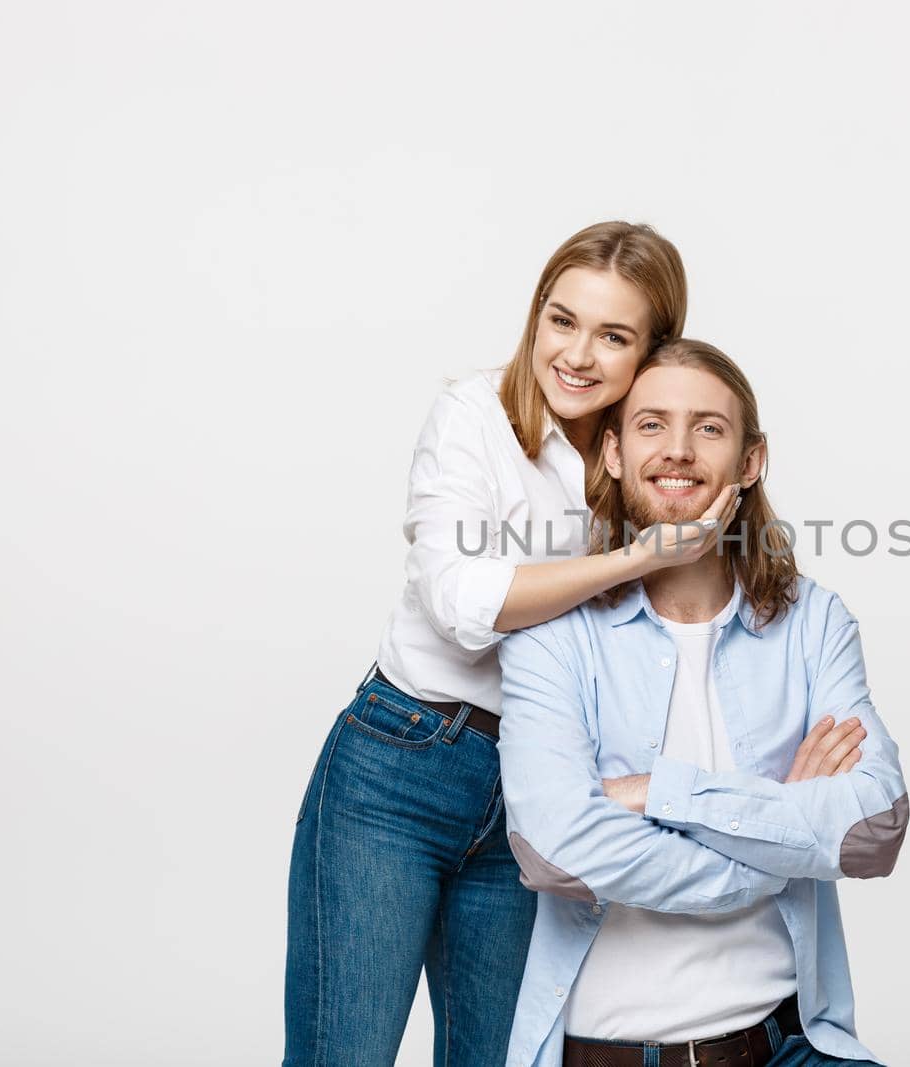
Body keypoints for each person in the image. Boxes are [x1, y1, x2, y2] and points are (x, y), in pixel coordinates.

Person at [284, 223, 742, 1067]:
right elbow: (462, 603)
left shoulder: (641, 466)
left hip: (537, 790)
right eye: (560, 320)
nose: (575, 354)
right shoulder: (473, 416)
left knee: (501, 1060)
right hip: (401, 763)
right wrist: (634, 558)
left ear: (651, 351)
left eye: (613, 335)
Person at [496, 339, 910, 1067]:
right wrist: (780, 835)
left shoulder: (813, 623)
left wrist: (657, 791)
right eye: (652, 424)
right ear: (615, 452)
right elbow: (553, 847)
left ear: (751, 461)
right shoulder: (552, 635)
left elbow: (872, 826)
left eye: (709, 428)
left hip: (790, 1046)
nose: (679, 450)